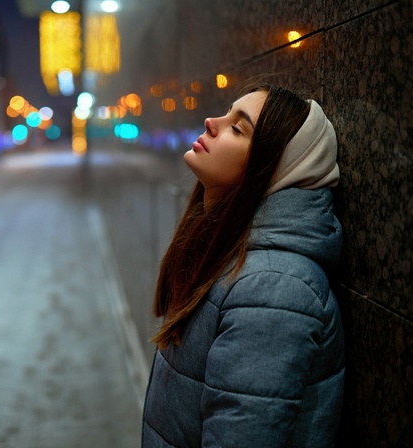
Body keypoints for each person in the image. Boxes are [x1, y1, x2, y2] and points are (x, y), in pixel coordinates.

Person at [142, 83, 344, 447]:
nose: (211, 122)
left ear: (274, 168)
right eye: (227, 114)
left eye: (238, 128)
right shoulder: (233, 256)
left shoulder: (273, 289)